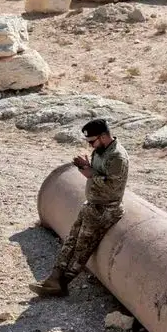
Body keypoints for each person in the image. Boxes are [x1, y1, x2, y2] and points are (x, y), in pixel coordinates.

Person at [30, 117, 129, 297]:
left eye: (93, 141)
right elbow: (99, 173)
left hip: (106, 209)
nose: (91, 146)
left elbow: (112, 186)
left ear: (104, 136)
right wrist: (86, 166)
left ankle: (63, 283)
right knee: (71, 240)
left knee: (83, 246)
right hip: (92, 205)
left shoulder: (117, 157)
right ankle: (54, 278)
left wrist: (90, 173)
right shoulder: (101, 151)